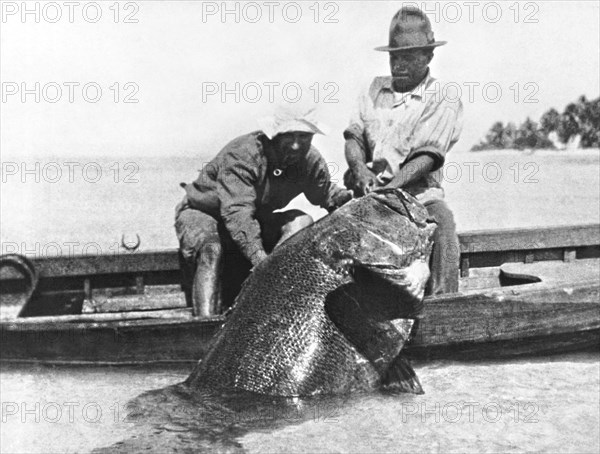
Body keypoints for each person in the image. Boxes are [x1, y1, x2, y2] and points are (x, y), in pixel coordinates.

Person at [175, 106, 352, 316]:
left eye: (303, 136)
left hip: (253, 219)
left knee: (301, 221)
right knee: (212, 249)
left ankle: (268, 298)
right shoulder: (243, 154)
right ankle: (204, 326)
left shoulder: (309, 160)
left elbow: (324, 192)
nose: (296, 145)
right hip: (204, 213)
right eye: (289, 136)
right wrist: (259, 259)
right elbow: (238, 215)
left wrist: (347, 199)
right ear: (274, 135)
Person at [343, 6, 464, 295]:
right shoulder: (374, 89)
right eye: (394, 56)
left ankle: (445, 302)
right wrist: (359, 168)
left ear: (428, 56)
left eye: (408, 56)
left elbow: (427, 157)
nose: (399, 63)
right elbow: (354, 137)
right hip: (370, 193)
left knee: (442, 224)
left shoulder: (442, 97)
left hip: (417, 197)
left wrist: (389, 192)